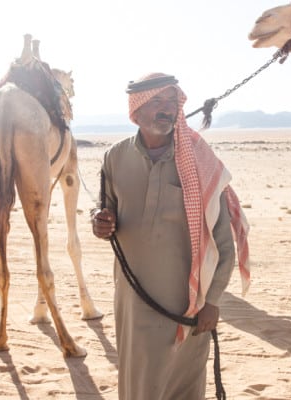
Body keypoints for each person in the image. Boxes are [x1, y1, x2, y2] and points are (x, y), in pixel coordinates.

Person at [91, 72, 250, 400]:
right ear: (136, 110)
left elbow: (222, 242)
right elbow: (105, 212)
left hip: (187, 303)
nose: (166, 109)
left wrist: (214, 301)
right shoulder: (115, 157)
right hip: (134, 298)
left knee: (184, 384)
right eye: (157, 102)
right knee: (138, 380)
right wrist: (99, 223)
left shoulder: (199, 160)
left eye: (172, 102)